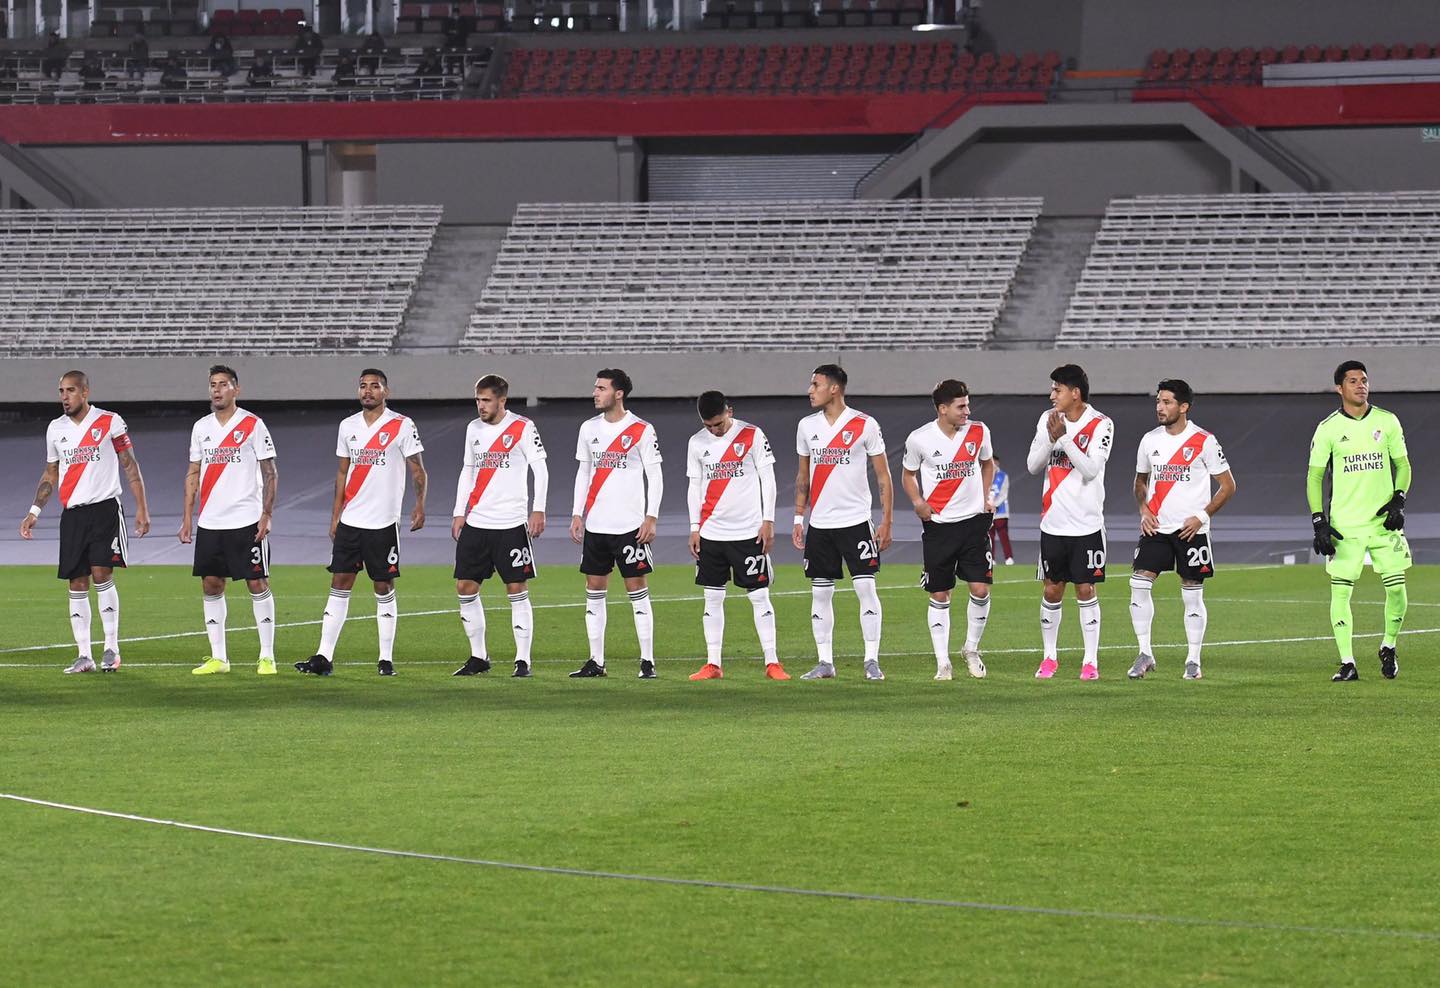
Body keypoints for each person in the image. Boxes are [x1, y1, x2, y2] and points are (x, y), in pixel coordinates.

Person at [295, 369, 426, 677]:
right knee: (339, 583)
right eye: (363, 386)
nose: (368, 391)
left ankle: (385, 658)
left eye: (375, 386)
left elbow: (418, 470)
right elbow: (342, 472)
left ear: (386, 391)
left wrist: (420, 505)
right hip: (351, 521)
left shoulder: (402, 425)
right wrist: (335, 515)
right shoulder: (347, 426)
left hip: (382, 523)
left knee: (383, 586)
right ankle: (323, 657)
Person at [19, 371, 151, 674]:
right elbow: (51, 473)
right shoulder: (55, 429)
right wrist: (34, 511)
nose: (64, 397)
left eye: (70, 391)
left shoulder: (109, 421)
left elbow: (129, 464)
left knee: (102, 575)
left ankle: (111, 649)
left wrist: (142, 508)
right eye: (61, 391)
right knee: (76, 582)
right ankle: (84, 655)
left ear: (85, 392)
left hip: (105, 510)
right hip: (74, 515)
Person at [1308, 360, 1411, 682]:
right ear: (1340, 388)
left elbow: (1403, 466)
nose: (1360, 385)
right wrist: (1319, 522)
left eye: (1364, 380)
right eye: (1352, 381)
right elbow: (1314, 477)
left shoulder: (1387, 421)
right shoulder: (1328, 429)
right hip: (1346, 526)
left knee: (1397, 589)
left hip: (1383, 523)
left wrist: (1399, 499)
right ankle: (1347, 662)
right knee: (1341, 592)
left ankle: (1389, 646)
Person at [1128, 380, 1236, 681]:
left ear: (1183, 406)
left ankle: (1193, 660)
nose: (1160, 408)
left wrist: (1201, 516)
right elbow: (1140, 481)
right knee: (1138, 584)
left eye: (1167, 402)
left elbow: (1228, 486)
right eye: (1158, 402)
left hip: (1192, 531)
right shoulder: (1149, 440)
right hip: (1157, 527)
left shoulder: (1204, 441)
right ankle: (1145, 653)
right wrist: (1144, 509)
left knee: (1192, 594)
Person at [793, 364, 892, 681]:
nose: (810, 390)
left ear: (834, 388)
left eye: (815, 384)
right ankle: (825, 662)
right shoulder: (807, 427)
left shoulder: (864, 424)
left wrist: (886, 520)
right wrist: (798, 517)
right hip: (820, 525)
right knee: (820, 593)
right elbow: (802, 477)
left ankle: (871, 660)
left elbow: (883, 476)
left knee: (866, 588)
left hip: (856, 522)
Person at [179, 366, 280, 676]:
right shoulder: (201, 428)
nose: (217, 390)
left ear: (237, 389)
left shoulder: (252, 424)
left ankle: (267, 656)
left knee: (256, 582)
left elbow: (270, 472)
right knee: (211, 585)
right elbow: (193, 472)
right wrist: (187, 517)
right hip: (211, 521)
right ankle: (219, 658)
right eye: (212, 385)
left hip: (246, 520)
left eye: (223, 384)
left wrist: (267, 513)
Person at [568, 368, 663, 679]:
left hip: (630, 527)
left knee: (637, 590)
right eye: (595, 387)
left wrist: (651, 516)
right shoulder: (588, 429)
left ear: (618, 393)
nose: (595, 393)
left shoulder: (641, 429)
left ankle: (647, 661)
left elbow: (655, 475)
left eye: (601, 388)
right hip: (596, 526)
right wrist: (576, 513)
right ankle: (596, 661)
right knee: (594, 591)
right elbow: (584, 473)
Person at [451, 374, 548, 679]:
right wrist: (458, 512)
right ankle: (479, 656)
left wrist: (538, 509)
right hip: (477, 522)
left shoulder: (522, 427)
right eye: (478, 400)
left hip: (510, 524)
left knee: (516, 588)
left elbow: (540, 469)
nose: (481, 406)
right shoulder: (473, 429)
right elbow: (468, 469)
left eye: (486, 400)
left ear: (502, 400)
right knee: (465, 587)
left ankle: (522, 660)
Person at [685, 391, 787, 681]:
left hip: (748, 531)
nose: (713, 430)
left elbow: (768, 478)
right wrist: (695, 527)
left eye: (717, 424)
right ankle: (713, 663)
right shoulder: (696, 443)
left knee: (759, 596)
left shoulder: (752, 435)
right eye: (708, 425)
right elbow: (695, 486)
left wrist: (768, 520)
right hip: (711, 533)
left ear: (729, 411)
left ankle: (772, 662)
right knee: (712, 599)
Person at [901, 379, 995, 681]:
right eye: (961, 406)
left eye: (968, 404)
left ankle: (971, 648)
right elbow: (908, 475)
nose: (967, 410)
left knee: (980, 589)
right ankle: (943, 662)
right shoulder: (919, 439)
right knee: (940, 593)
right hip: (939, 526)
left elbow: (988, 464)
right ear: (943, 409)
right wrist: (918, 501)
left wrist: (984, 497)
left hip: (973, 524)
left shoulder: (979, 432)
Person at [1026, 364, 1113, 680]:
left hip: (1087, 525)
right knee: (1052, 590)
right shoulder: (1046, 420)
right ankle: (1049, 657)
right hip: (1053, 523)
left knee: (1086, 589)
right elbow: (1033, 465)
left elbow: (1090, 470)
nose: (1051, 395)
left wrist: (1065, 439)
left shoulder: (1101, 424)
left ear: (1074, 393)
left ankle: (1090, 661)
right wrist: (1050, 438)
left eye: (1057, 389)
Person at [989, 454, 1013, 565]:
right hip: (988, 511)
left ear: (997, 463)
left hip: (1001, 511)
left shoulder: (1003, 476)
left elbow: (1003, 493)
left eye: (994, 462)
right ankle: (991, 558)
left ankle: (1008, 557)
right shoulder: (985, 474)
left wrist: (995, 504)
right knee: (990, 535)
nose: (993, 464)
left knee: (1003, 534)